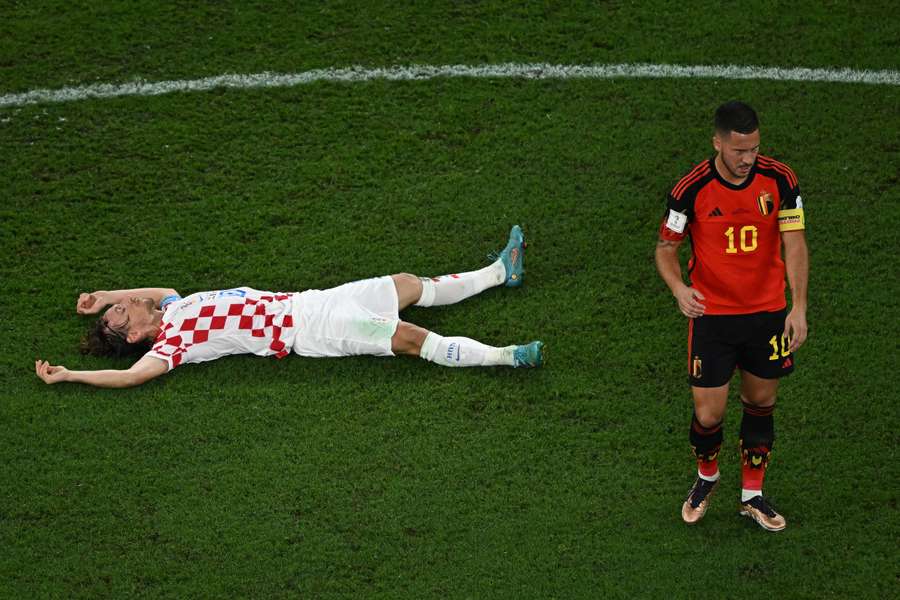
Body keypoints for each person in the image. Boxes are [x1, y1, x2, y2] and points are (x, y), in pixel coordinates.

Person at [35, 226, 543, 388]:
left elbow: (155, 289)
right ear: (131, 337)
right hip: (311, 331)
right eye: (117, 315)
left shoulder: (175, 305)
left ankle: (500, 273)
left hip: (312, 301)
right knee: (407, 338)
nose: (125, 304)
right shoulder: (173, 343)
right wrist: (72, 374)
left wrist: (104, 296)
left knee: (407, 284)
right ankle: (507, 357)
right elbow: (130, 379)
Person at [655, 101, 808, 532]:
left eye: (754, 150)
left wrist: (797, 306)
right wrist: (679, 289)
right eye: (739, 151)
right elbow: (666, 249)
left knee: (761, 403)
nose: (748, 159)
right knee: (708, 415)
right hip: (714, 319)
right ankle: (707, 478)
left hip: (767, 316)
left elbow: (794, 242)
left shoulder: (780, 179)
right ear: (718, 143)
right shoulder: (691, 188)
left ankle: (752, 495)